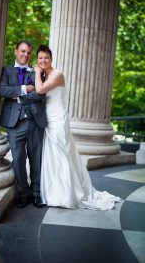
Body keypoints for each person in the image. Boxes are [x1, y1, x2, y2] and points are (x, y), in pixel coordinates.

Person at [34, 44, 121, 210]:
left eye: (46, 57)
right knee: (51, 155)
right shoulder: (45, 75)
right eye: (40, 58)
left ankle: (66, 194)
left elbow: (40, 90)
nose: (43, 60)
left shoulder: (57, 74)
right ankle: (52, 191)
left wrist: (37, 72)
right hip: (47, 119)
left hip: (58, 119)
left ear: (51, 59)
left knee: (61, 152)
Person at [0, 41, 47, 208]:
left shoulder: (37, 71)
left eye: (28, 52)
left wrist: (17, 95)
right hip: (14, 123)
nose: (25, 55)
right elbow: (2, 91)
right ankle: (23, 193)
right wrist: (25, 89)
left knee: (36, 158)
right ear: (16, 52)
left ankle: (36, 193)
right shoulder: (6, 71)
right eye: (22, 51)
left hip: (35, 121)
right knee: (18, 159)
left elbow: (40, 95)